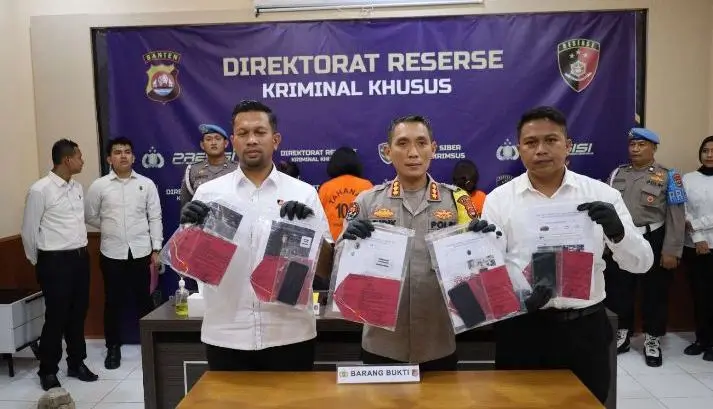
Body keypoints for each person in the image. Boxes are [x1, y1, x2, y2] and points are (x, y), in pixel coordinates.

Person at [481, 106, 653, 404]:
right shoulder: (499, 200)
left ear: (568, 145)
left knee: (585, 404)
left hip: (584, 329)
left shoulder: (602, 194)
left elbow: (642, 264)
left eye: (551, 140)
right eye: (531, 142)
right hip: (523, 328)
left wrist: (618, 232)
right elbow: (489, 272)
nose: (541, 150)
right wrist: (517, 298)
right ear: (519, 149)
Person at [179, 100, 330, 371]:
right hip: (226, 334)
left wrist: (310, 233)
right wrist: (187, 233)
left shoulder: (304, 194)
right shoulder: (209, 194)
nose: (251, 140)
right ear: (233, 141)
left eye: (260, 132)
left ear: (275, 139)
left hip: (290, 335)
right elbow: (190, 267)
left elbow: (326, 269)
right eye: (243, 133)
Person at [339, 115, 482, 371]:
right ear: (387, 151)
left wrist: (484, 242)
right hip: (381, 343)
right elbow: (338, 265)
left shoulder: (457, 202)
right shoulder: (367, 202)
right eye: (403, 143)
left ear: (433, 149)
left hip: (438, 342)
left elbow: (476, 266)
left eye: (421, 143)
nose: (413, 153)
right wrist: (349, 247)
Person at [604, 127, 686, 367]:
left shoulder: (669, 176)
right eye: (632, 145)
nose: (636, 149)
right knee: (619, 289)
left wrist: (671, 250)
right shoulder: (617, 174)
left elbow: (677, 216)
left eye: (641, 145)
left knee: (655, 292)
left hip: (654, 239)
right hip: (622, 239)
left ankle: (652, 338)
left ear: (654, 148)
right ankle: (623, 334)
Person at [21, 139, 99, 391]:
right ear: (67, 160)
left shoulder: (77, 187)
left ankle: (76, 363)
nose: (82, 161)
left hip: (80, 258)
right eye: (79, 156)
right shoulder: (40, 190)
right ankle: (48, 370)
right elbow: (29, 232)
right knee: (56, 317)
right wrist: (40, 261)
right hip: (54, 262)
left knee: (78, 314)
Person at [85, 137, 163, 370]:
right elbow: (90, 215)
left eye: (127, 152)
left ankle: (152, 345)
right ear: (109, 159)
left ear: (134, 157)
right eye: (117, 152)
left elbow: (155, 217)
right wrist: (110, 227)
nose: (123, 156)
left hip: (141, 251)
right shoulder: (99, 186)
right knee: (113, 302)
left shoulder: (146, 184)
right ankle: (113, 348)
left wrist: (156, 248)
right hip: (112, 252)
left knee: (144, 301)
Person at [681, 135, 713, 361]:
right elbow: (682, 210)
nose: (709, 155)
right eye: (705, 150)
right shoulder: (688, 178)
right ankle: (701, 339)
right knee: (700, 295)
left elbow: (697, 219)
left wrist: (698, 225)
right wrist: (699, 237)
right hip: (694, 245)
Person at [318, 147, 373, 241]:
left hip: (332, 241)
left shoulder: (326, 187)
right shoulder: (367, 185)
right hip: (359, 241)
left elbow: (318, 218)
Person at [179, 124, 238, 209]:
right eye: (208, 139)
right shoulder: (192, 170)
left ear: (226, 143)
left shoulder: (238, 169)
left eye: (218, 139)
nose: (213, 143)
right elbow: (186, 206)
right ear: (202, 145)